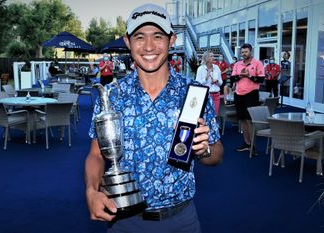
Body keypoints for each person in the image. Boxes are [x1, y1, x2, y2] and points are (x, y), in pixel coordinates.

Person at [84, 3, 224, 233]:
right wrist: (91, 190)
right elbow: (96, 154)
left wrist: (204, 150)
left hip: (182, 220)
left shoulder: (195, 93)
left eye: (158, 36)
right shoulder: (111, 95)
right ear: (128, 42)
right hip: (124, 221)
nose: (149, 46)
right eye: (140, 37)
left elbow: (217, 153)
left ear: (172, 40)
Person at [230, 43, 265, 155]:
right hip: (239, 94)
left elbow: (261, 80)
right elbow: (232, 78)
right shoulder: (237, 64)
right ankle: (246, 143)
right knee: (243, 120)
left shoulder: (257, 63)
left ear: (251, 52)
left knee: (250, 120)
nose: (244, 54)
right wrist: (240, 75)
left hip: (251, 94)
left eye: (246, 52)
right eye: (242, 52)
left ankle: (253, 145)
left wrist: (250, 76)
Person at [196, 50, 223, 116]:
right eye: (211, 56)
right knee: (205, 116)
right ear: (206, 58)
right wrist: (206, 77)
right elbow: (197, 83)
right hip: (206, 95)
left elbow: (221, 83)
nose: (213, 57)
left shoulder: (216, 67)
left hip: (216, 95)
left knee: (214, 115)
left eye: (213, 56)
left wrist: (217, 81)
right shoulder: (201, 69)